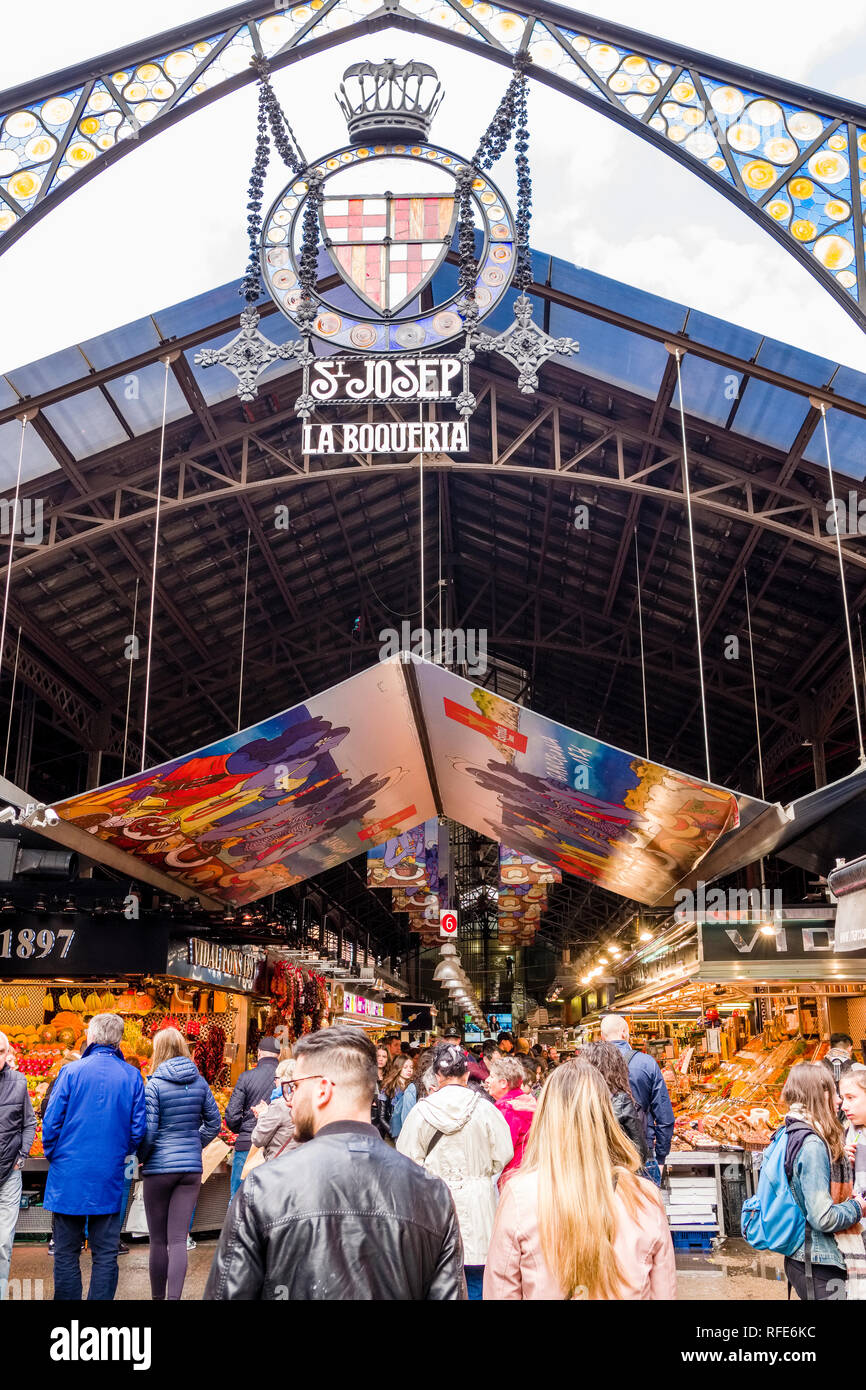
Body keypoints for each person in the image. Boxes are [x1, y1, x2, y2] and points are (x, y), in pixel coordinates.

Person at [204, 1026, 466, 1299]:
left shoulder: (263, 1189)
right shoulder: (432, 1194)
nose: (290, 1100)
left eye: (294, 1087)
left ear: (322, 1090)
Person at [484, 1061, 676, 1300]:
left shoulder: (519, 1194)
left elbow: (501, 1291)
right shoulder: (644, 1197)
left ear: (546, 1117)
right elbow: (664, 1291)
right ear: (606, 1116)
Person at [397, 1040, 513, 1299]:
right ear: (468, 1073)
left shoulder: (421, 1112)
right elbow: (504, 1153)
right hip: (479, 1203)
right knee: (475, 1276)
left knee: (439, 1277)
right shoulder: (484, 1109)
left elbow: (405, 1161)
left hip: (434, 1204)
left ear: (437, 1076)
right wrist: (481, 1173)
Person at [42, 1012, 146, 1301]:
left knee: (65, 1250)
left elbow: (51, 1123)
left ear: (91, 1036)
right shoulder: (132, 1076)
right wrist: (120, 1153)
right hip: (109, 1174)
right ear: (118, 1040)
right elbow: (138, 1130)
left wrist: (55, 1155)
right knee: (105, 1253)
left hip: (69, 1173)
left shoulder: (71, 1072)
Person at [137, 1026, 220, 1301]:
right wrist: (195, 1143)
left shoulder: (155, 1085)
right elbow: (215, 1123)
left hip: (159, 1168)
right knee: (178, 1240)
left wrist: (144, 1157)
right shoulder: (200, 1082)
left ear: (158, 1050)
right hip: (190, 1170)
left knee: (158, 1241)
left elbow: (148, 1131)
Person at [778, 1062, 866, 1301]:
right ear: (820, 1094)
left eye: (849, 1096)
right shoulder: (813, 1144)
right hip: (816, 1259)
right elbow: (822, 1218)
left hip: (804, 1256)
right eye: (836, 1093)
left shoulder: (791, 1130)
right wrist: (857, 1206)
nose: (839, 1102)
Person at [600, 1015, 673, 1184]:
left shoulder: (590, 1065)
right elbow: (664, 1116)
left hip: (603, 1151)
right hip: (641, 1150)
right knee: (643, 1208)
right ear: (625, 1033)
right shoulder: (647, 1063)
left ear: (602, 1036)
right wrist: (661, 1157)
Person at [0, 1031, 36, 1297]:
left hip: (9, 1175)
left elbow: (29, 1123)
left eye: (1, 1052)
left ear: (8, 1052)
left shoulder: (19, 1082)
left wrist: (21, 1156)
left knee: (3, 1244)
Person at [224, 1036, 280, 1200]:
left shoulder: (246, 1077)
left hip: (247, 1145)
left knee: (237, 1199)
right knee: (269, 1201)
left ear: (259, 1053)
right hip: (276, 1148)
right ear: (279, 1056)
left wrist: (243, 1129)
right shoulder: (285, 1080)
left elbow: (232, 1115)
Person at [581, 1039, 649, 1166]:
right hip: (615, 1174)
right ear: (618, 1066)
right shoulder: (621, 1101)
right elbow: (640, 1152)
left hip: (585, 1172)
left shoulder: (577, 1098)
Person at [483, 1052, 536, 1188]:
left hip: (511, 1180)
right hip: (529, 1174)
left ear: (503, 1083)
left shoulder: (508, 1110)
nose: (487, 1080)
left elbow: (500, 1153)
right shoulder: (529, 1102)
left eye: (492, 1076)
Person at [250, 1058, 296, 1160]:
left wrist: (262, 1114)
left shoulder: (280, 1104)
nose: (275, 1082)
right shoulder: (303, 1099)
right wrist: (268, 1112)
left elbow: (257, 1139)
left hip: (280, 1164)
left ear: (283, 1079)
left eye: (276, 1078)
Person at [384, 1054, 417, 1140]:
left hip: (409, 1133)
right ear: (398, 1068)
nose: (409, 1070)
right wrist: (393, 1133)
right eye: (405, 1067)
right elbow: (382, 1117)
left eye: (411, 1067)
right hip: (393, 1134)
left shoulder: (413, 1087)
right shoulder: (388, 1088)